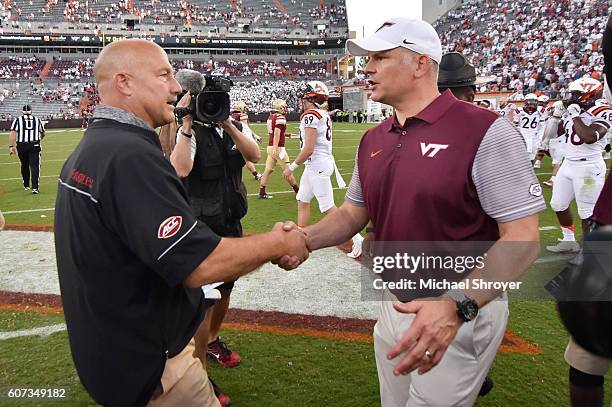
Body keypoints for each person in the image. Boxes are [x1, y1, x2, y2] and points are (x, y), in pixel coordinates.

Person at [278, 18, 543, 406]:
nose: (366, 68)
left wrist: (457, 305)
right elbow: (353, 213)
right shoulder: (375, 137)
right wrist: (304, 240)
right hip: (392, 297)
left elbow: (522, 238)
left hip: (457, 307)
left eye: (381, 57)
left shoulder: (485, 130)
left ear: (420, 64)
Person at [54, 39, 308, 407]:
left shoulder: (96, 145)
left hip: (111, 354)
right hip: (152, 363)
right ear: (124, 82)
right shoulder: (129, 155)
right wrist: (278, 243)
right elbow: (198, 263)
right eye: (164, 75)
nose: (176, 88)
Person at [170, 85, 261, 406]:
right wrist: (185, 125)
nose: (213, 105)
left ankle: (211, 340)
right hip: (200, 228)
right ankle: (200, 375)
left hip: (230, 222)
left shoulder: (233, 125)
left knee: (225, 290)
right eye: (208, 100)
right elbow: (180, 168)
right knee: (201, 300)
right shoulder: (188, 131)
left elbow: (254, 155)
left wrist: (228, 124)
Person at [282, 80, 364, 259]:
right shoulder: (322, 114)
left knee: (328, 207)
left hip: (317, 164)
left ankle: (357, 238)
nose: (301, 98)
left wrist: (291, 167)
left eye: (305, 94)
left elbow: (309, 147)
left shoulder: (310, 115)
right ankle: (300, 238)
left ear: (312, 97)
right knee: (302, 199)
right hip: (316, 164)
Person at [545, 77, 611, 254]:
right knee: (558, 204)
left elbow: (589, 137)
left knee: (587, 212)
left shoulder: (603, 110)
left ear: (589, 94)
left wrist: (575, 115)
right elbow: (552, 135)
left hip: (589, 167)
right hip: (568, 164)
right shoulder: (574, 110)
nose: (571, 98)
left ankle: (588, 251)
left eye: (575, 94)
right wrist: (556, 117)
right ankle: (568, 240)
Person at [258, 99, 299, 199]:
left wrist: (286, 135)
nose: (285, 109)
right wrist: (276, 148)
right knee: (288, 170)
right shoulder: (280, 117)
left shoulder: (271, 116)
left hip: (270, 146)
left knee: (268, 170)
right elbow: (276, 133)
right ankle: (298, 192)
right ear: (280, 107)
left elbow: (276, 132)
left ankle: (262, 192)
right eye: (284, 107)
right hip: (278, 148)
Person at [8, 104, 45, 194]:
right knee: (35, 166)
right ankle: (35, 188)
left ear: (23, 112)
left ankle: (26, 185)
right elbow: (43, 133)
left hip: (22, 145)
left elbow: (12, 133)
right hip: (34, 145)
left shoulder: (17, 120)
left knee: (24, 165)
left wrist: (11, 146)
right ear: (31, 111)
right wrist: (39, 138)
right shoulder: (37, 120)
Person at [231, 100, 262, 181]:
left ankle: (256, 174)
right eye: (244, 107)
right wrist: (256, 137)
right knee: (249, 158)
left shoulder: (232, 116)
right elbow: (246, 128)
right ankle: (256, 175)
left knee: (244, 159)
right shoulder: (242, 115)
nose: (245, 109)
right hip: (244, 139)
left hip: (235, 139)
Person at [513, 93, 545, 163]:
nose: (532, 104)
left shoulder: (540, 111)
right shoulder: (519, 111)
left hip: (534, 136)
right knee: (521, 156)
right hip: (523, 135)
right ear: (526, 102)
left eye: (534, 101)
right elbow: (515, 125)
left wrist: (540, 137)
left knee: (532, 156)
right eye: (530, 101)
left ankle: (530, 171)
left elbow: (541, 126)